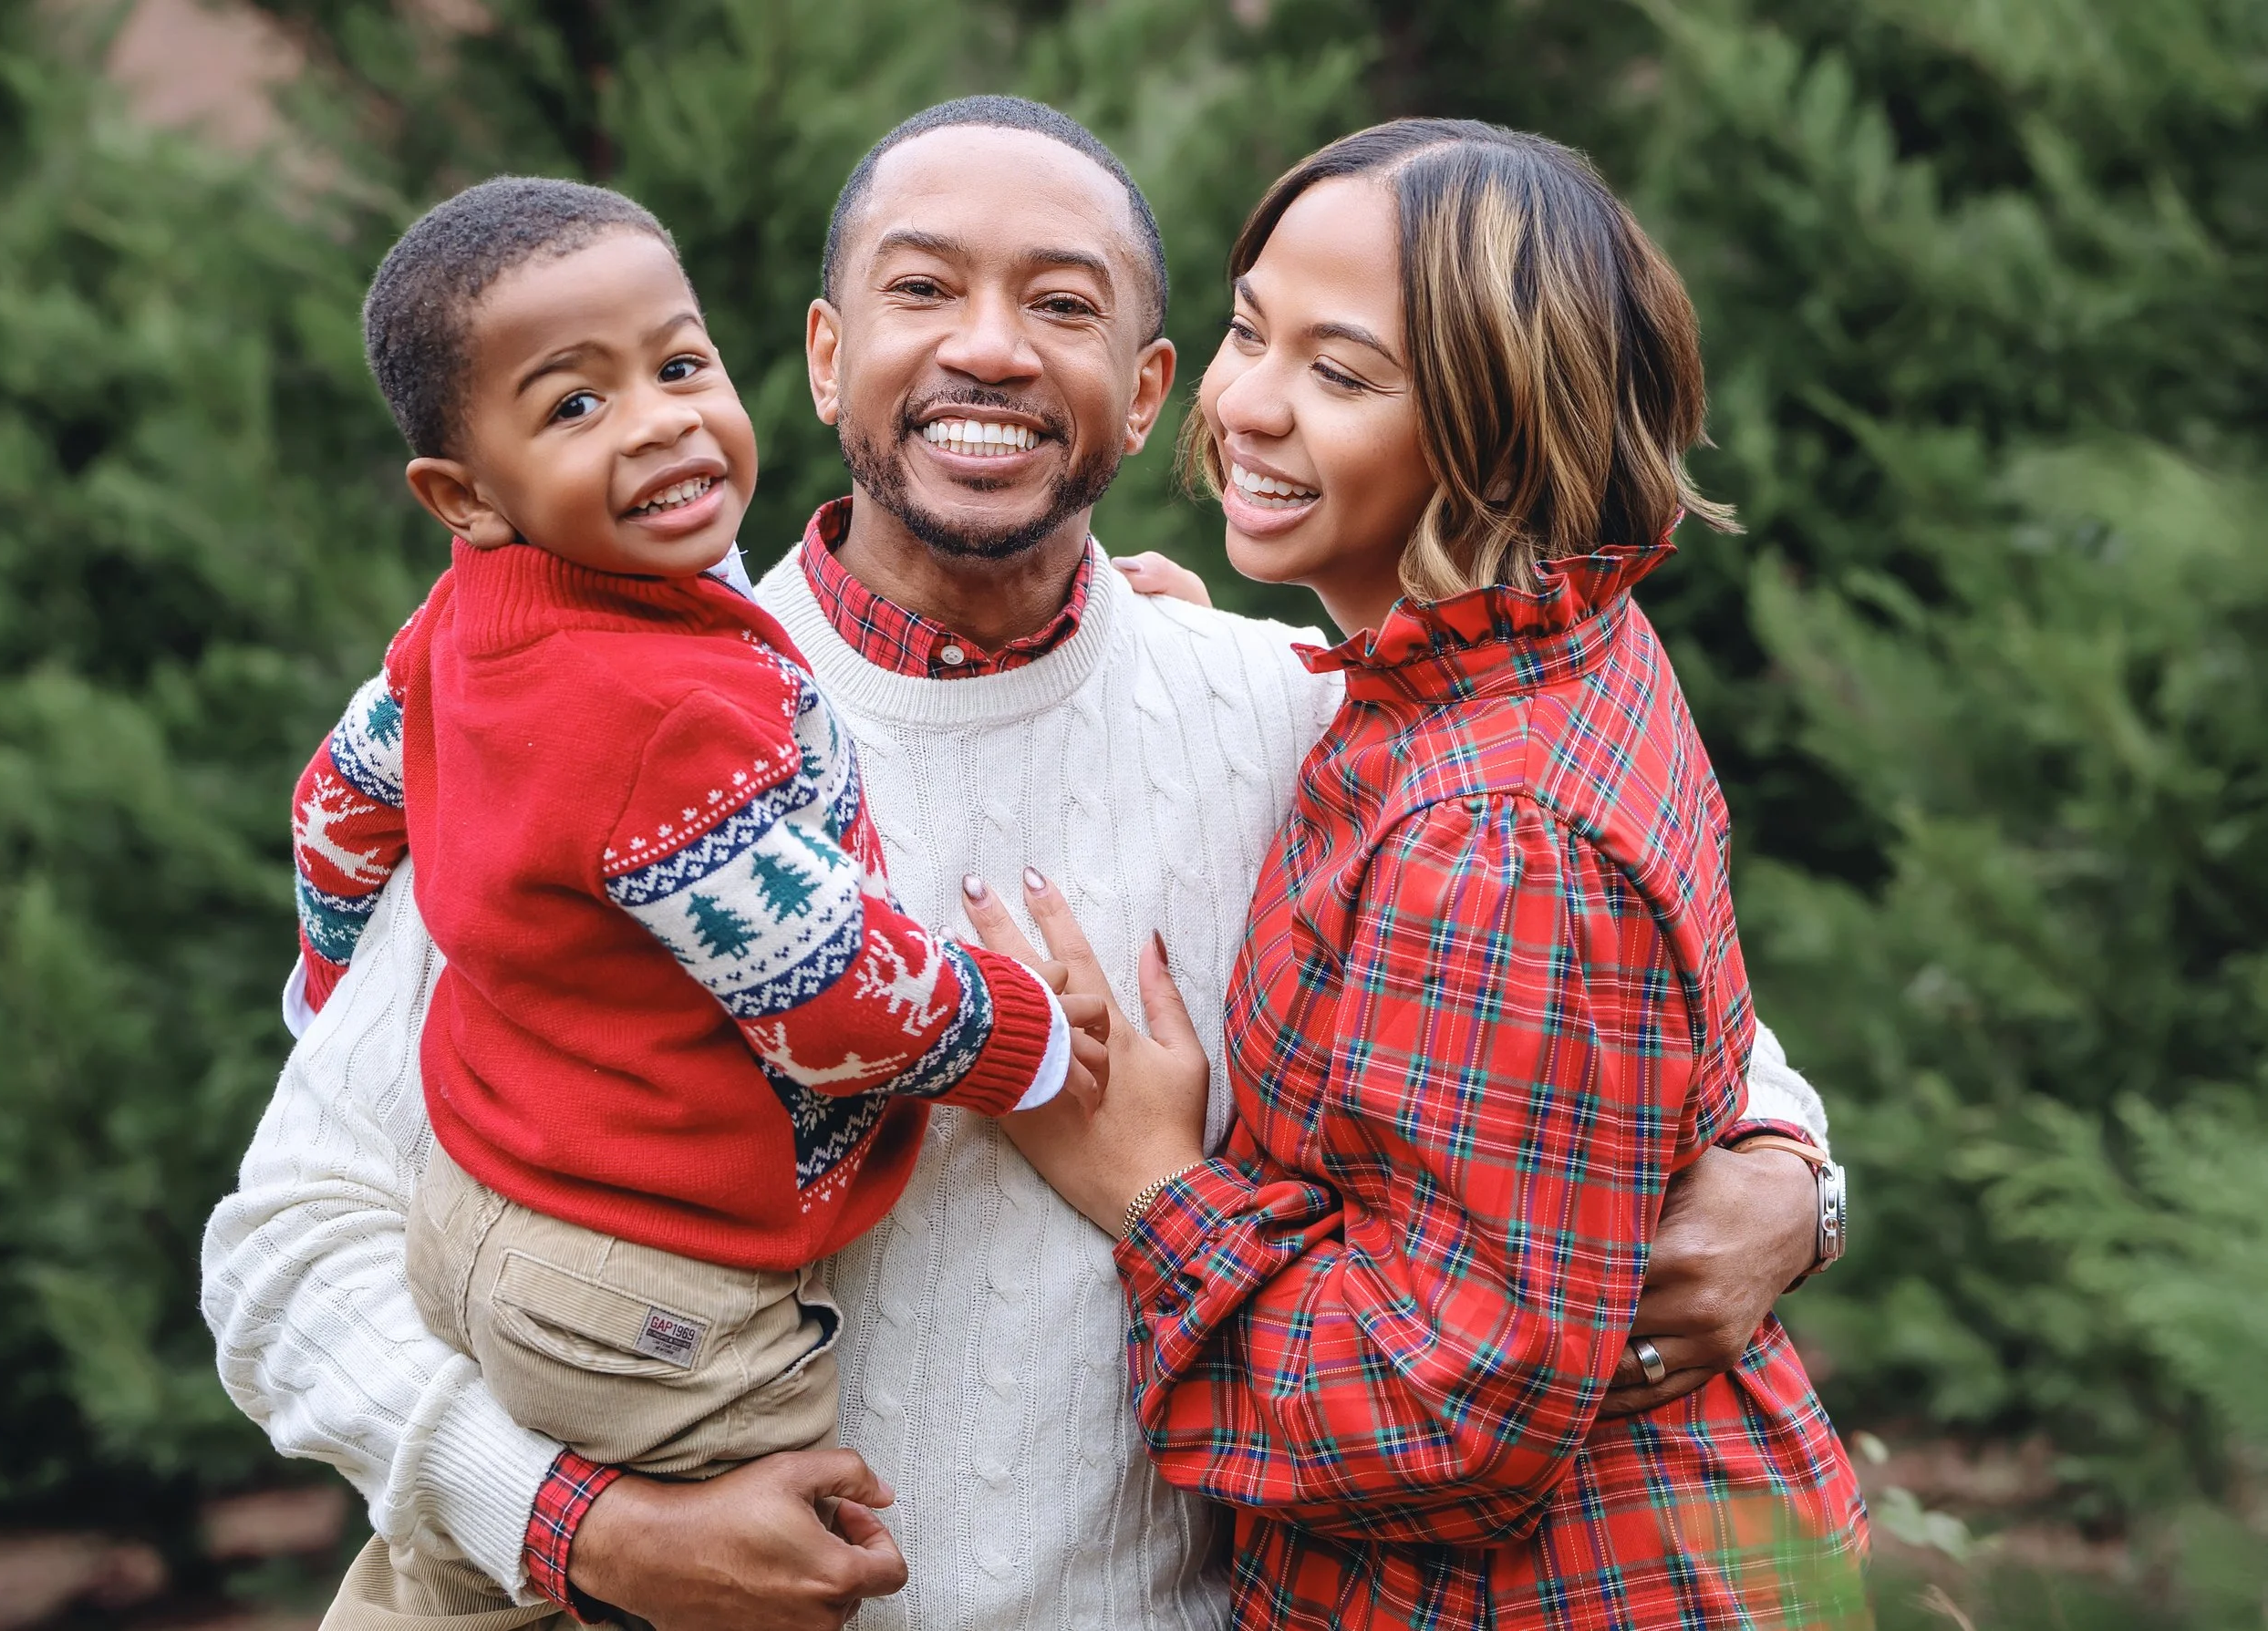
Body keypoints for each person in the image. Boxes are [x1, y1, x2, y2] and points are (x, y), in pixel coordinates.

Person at [202, 99, 1839, 1631]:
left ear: (1145, 390)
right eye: (923, 289)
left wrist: (1790, 1178)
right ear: (828, 361)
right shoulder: (597, 735)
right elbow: (285, 1249)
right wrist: (576, 1528)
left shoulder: (1286, 716)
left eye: (1063, 304)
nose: (987, 346)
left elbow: (1661, 1018)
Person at [962, 119, 1869, 1629]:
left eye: (1344, 373)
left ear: (1499, 426)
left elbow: (1442, 1416)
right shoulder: (1536, 652)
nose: (1246, 403)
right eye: (1252, 330)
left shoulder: (1494, 836)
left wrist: (1152, 1187)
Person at [277, 173, 1109, 1619]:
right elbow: (831, 999)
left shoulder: (467, 622)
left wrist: (334, 973)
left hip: (477, 1211)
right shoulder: (665, 718)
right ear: (463, 493)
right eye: (574, 405)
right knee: (777, 1568)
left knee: (450, 1578)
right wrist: (1024, 1038)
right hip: (648, 1291)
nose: (660, 420)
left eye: (677, 366)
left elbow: (339, 805)